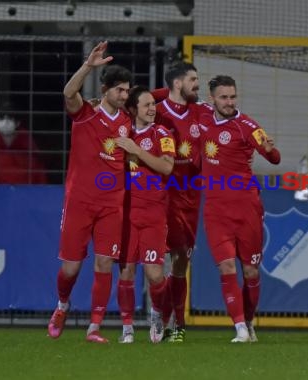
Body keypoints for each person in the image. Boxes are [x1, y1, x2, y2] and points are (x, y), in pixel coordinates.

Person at [47, 41, 133, 343]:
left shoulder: (127, 123)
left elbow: (154, 103)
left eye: (127, 91)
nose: (124, 96)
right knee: (70, 268)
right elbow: (68, 93)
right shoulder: (86, 114)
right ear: (106, 89)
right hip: (80, 202)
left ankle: (94, 327)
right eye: (119, 90)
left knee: (105, 262)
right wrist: (87, 66)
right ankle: (62, 306)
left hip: (112, 204)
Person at [197, 75, 281, 342]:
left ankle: (249, 322)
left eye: (233, 97)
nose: (229, 102)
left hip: (246, 208)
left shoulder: (247, 126)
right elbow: (172, 99)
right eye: (224, 97)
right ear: (212, 98)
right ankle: (240, 328)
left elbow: (274, 158)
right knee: (226, 268)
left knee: (251, 271)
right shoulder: (201, 115)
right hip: (215, 210)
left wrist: (270, 150)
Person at [115, 86, 176, 344]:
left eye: (154, 104)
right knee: (126, 272)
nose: (153, 109)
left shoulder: (162, 133)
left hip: (153, 214)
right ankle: (127, 328)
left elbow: (166, 166)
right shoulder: (121, 134)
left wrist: (137, 151)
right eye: (147, 105)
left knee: (154, 275)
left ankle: (157, 313)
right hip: (126, 214)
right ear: (133, 110)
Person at [152, 62, 202, 343]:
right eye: (192, 79)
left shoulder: (202, 110)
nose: (197, 84)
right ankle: (167, 321)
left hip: (192, 195)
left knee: (182, 260)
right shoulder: (155, 112)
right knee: (160, 259)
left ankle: (171, 322)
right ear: (177, 84)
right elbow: (137, 98)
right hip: (163, 194)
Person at [0, 110, 47, 184]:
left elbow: (38, 173)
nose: (5, 122)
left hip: (23, 192)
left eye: (10, 119)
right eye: (2, 119)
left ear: (17, 123)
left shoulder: (28, 145)